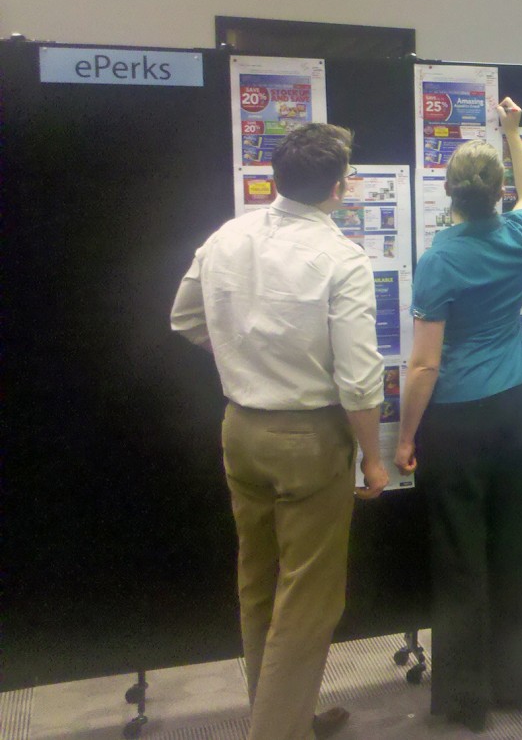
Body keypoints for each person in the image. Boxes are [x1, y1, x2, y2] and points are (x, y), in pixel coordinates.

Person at [171, 123, 389, 740]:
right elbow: (357, 378)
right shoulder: (342, 259)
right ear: (340, 188)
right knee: (309, 601)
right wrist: (373, 460)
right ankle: (276, 732)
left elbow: (184, 317)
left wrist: (245, 356)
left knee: (258, 582)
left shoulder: (227, 235)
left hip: (240, 427)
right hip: (310, 439)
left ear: (275, 176)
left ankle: (284, 715)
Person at [394, 97, 522, 733]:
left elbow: (425, 367)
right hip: (519, 399)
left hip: (457, 415)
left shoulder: (440, 258)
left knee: (461, 554)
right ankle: (515, 684)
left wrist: (404, 436)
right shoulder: (518, 232)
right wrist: (513, 134)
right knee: (511, 541)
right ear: (498, 193)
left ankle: (466, 699)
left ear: (448, 193)